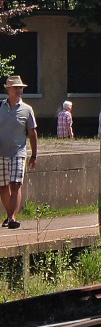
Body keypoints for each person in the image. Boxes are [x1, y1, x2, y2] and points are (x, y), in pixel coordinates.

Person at [0, 74, 38, 229]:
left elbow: (32, 132)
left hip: (18, 153)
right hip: (1, 153)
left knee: (16, 184)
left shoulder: (27, 110)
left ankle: (12, 217)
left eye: (21, 88)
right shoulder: (0, 107)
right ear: (8, 90)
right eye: (16, 88)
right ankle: (10, 215)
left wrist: (34, 154)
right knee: (3, 186)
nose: (19, 90)